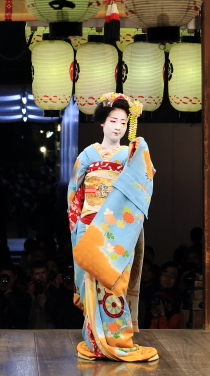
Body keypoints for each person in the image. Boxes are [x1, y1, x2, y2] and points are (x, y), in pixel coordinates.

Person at [68, 92, 158, 362]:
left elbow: (143, 182)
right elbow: (75, 193)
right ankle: (95, 342)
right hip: (89, 223)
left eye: (122, 121)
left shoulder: (129, 153)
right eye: (113, 120)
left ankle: (119, 338)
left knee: (114, 283)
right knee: (90, 284)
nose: (118, 126)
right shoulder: (87, 154)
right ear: (102, 123)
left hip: (118, 228)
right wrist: (78, 225)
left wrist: (139, 151)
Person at [150, 262, 181, 329]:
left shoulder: (179, 299)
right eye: (165, 275)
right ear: (160, 276)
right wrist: (155, 318)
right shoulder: (149, 293)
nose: (168, 279)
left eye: (172, 276)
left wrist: (162, 315)